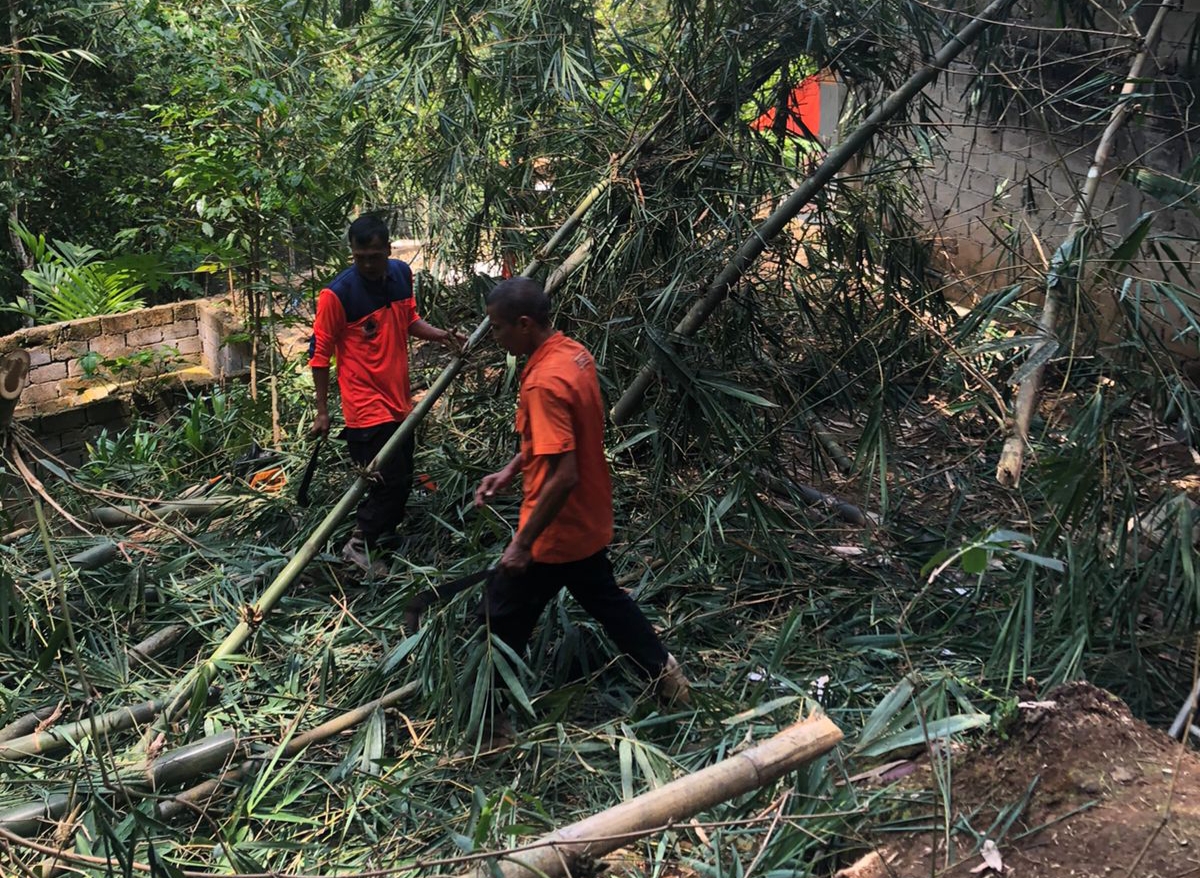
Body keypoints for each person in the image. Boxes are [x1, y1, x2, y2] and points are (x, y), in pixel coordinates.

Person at [470, 277, 690, 747]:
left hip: (554, 533)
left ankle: (489, 723)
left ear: (524, 324)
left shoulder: (544, 382)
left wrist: (522, 543)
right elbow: (556, 437)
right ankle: (666, 674)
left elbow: (563, 474)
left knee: (499, 618)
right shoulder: (572, 354)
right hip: (588, 519)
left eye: (497, 328)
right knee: (608, 602)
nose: (495, 338)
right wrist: (512, 470)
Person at [308, 215, 464, 576]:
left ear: (388, 251)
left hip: (398, 402)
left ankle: (378, 540)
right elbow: (319, 354)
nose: (367, 264)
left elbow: (409, 320)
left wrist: (443, 336)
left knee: (402, 477)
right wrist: (321, 410)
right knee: (387, 480)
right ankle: (357, 547)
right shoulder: (337, 294)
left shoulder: (400, 276)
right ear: (352, 253)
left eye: (374, 256)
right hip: (364, 406)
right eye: (359, 257)